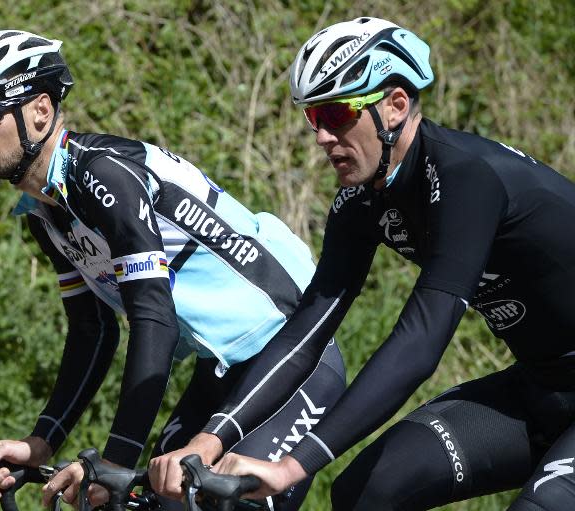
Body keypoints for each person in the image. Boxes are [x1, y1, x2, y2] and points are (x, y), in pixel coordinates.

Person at [152, 16, 575, 510]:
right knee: (366, 491)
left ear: (395, 106)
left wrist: (291, 467)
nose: (322, 138)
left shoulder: (466, 177)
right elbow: (305, 333)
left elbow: (421, 341)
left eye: (337, 115)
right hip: (544, 385)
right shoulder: (361, 202)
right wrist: (213, 437)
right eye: (314, 119)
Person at [0, 30, 347, 510]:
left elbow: (154, 316)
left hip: (292, 355)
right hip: (222, 371)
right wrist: (42, 440)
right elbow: (93, 332)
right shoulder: (45, 210)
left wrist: (114, 463)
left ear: (40, 111)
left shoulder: (104, 174)